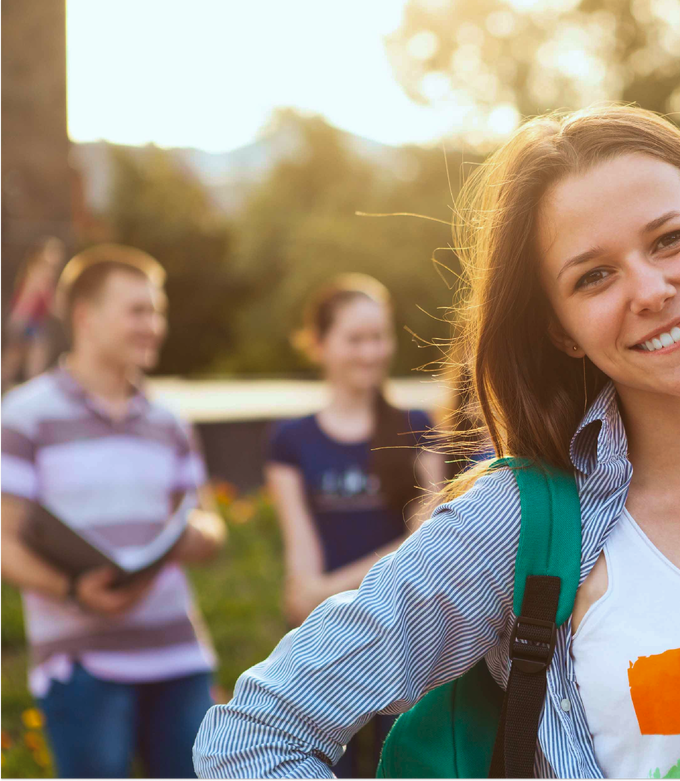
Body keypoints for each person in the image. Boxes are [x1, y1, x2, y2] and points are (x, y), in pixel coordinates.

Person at [195, 105, 680, 778]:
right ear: (561, 331)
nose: (648, 289)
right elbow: (254, 734)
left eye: (670, 239)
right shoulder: (517, 524)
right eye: (593, 277)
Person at [0, 244, 228, 779]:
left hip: (179, 657)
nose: (154, 325)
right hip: (82, 664)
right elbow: (3, 540)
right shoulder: (24, 417)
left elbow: (209, 523)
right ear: (85, 316)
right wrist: (76, 590)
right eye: (138, 311)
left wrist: (195, 534)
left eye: (158, 311)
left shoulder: (170, 420)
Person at [265, 273, 444, 778]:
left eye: (379, 337)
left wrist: (327, 588)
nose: (371, 352)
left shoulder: (417, 428)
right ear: (319, 345)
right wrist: (316, 591)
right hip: (324, 646)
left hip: (405, 643)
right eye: (355, 339)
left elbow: (428, 546)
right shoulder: (291, 441)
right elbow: (301, 577)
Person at [1, 237, 67, 393]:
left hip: (31, 322)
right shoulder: (40, 271)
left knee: (15, 359)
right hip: (29, 322)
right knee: (30, 358)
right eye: (54, 252)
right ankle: (31, 391)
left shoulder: (38, 270)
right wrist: (18, 319)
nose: (58, 256)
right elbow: (31, 298)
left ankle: (24, 389)